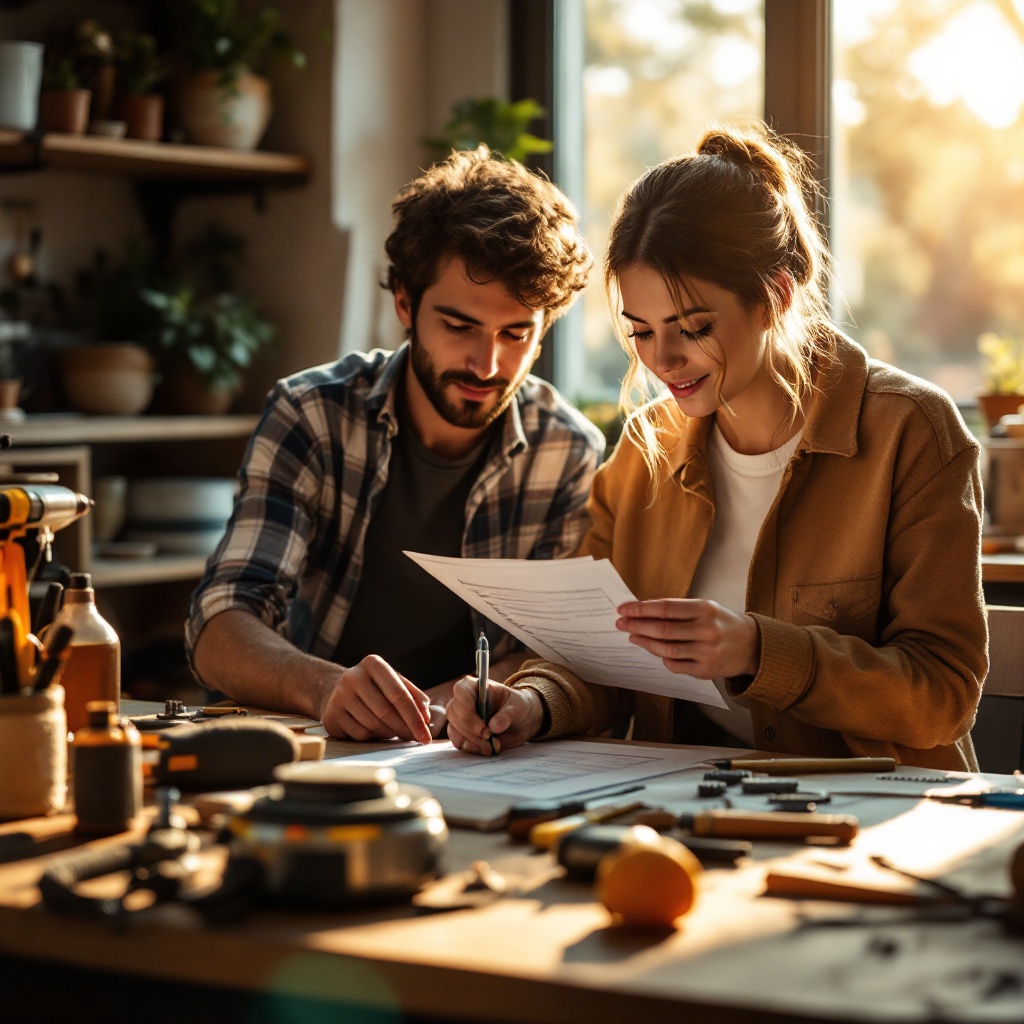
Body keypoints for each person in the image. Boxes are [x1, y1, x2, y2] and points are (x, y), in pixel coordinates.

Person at [447, 121, 987, 771]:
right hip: (690, 807)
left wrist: (759, 652)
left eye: (693, 327)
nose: (663, 360)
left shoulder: (911, 432)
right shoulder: (646, 451)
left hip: (873, 814)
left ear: (776, 297)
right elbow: (599, 664)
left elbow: (942, 697)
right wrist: (533, 702)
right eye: (641, 331)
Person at [186, 146, 604, 744]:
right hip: (303, 744)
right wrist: (325, 688)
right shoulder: (312, 414)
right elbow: (219, 622)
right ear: (405, 304)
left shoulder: (567, 452)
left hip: (461, 755)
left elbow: (548, 652)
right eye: (458, 326)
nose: (486, 363)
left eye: (515, 333)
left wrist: (450, 708)